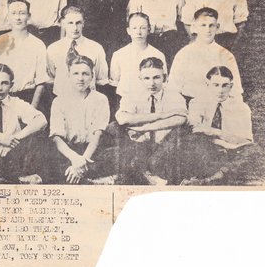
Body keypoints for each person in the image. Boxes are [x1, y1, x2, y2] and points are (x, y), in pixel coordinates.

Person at [180, 66, 261, 185]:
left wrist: (216, 132)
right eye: (216, 85)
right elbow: (195, 131)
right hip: (208, 150)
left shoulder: (242, 108)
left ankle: (212, 178)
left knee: (254, 150)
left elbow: (246, 141)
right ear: (207, 84)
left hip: (231, 152)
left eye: (225, 85)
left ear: (231, 86)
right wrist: (227, 139)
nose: (220, 90)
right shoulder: (197, 103)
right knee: (192, 142)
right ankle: (221, 176)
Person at [114, 57, 187, 185]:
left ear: (164, 77)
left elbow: (180, 119)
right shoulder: (132, 95)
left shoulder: (174, 95)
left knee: (181, 133)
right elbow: (122, 118)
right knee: (114, 128)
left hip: (164, 145)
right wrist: (162, 115)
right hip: (140, 143)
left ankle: (150, 174)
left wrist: (144, 128)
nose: (152, 83)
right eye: (147, 78)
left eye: (156, 77)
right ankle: (144, 174)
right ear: (140, 79)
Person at [49, 55, 116, 184]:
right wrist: (75, 159)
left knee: (116, 155)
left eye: (85, 74)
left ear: (92, 76)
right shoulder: (59, 101)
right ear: (69, 75)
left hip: (92, 151)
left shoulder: (100, 99)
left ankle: (82, 175)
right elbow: (56, 137)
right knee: (49, 159)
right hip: (69, 151)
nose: (80, 78)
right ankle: (86, 176)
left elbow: (98, 135)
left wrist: (83, 160)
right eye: (76, 73)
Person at [0, 0, 47, 114]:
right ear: (8, 16)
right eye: (13, 13)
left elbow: (41, 83)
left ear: (29, 16)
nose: (18, 18)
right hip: (1, 98)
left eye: (22, 13)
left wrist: (31, 111)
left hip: (27, 99)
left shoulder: (38, 45)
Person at [168, 7, 243, 107]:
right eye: (203, 25)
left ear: (217, 27)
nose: (208, 30)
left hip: (218, 106)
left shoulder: (225, 55)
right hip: (189, 104)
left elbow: (235, 89)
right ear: (194, 27)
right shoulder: (184, 54)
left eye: (211, 25)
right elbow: (173, 87)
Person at [45, 6, 109, 99]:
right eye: (70, 23)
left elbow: (101, 80)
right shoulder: (53, 49)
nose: (75, 28)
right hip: (62, 100)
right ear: (63, 23)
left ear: (83, 23)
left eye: (78, 23)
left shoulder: (96, 48)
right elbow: (50, 78)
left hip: (88, 101)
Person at [109, 12, 167, 112]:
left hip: (150, 103)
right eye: (134, 28)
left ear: (149, 30)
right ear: (128, 31)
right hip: (125, 101)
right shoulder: (119, 54)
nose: (138, 32)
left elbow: (163, 82)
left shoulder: (158, 54)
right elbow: (115, 82)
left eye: (143, 28)